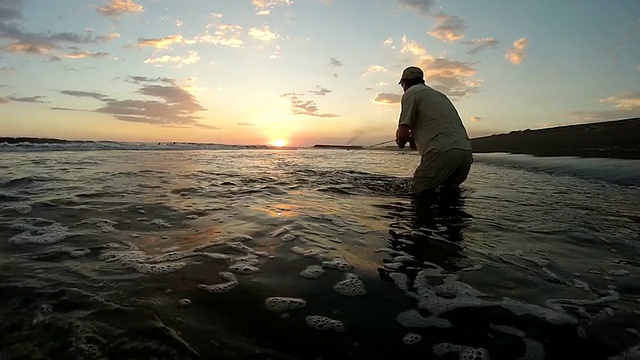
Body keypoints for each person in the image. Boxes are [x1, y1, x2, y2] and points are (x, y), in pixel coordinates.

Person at [395, 66, 473, 195]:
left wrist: (401, 141)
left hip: (441, 152)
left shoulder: (411, 93)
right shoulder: (439, 95)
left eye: (402, 85)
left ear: (405, 82)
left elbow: (402, 133)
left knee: (417, 194)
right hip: (465, 153)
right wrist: (413, 139)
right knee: (448, 197)